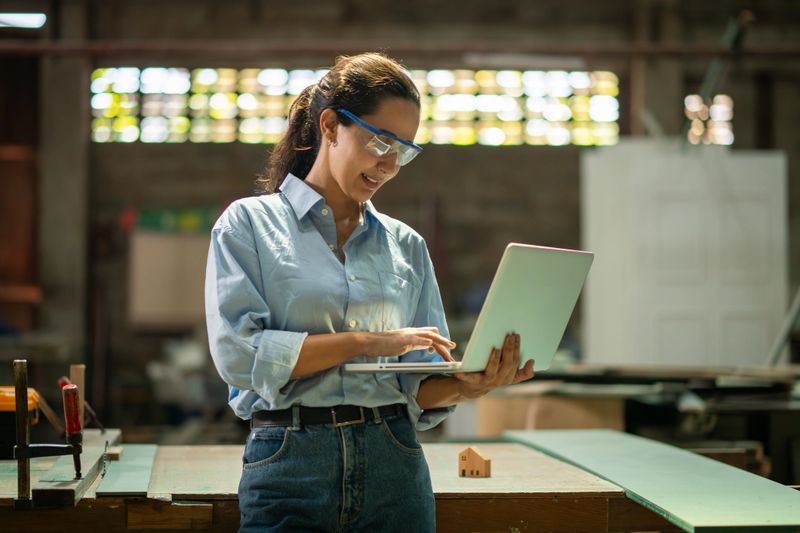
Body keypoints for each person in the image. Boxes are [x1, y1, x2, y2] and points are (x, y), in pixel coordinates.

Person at [205, 52, 535, 533]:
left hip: (393, 461)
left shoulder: (406, 245)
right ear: (331, 125)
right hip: (291, 459)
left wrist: (469, 384)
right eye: (379, 140)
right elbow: (239, 356)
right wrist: (367, 343)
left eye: (403, 150)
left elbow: (418, 382)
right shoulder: (248, 225)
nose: (389, 163)